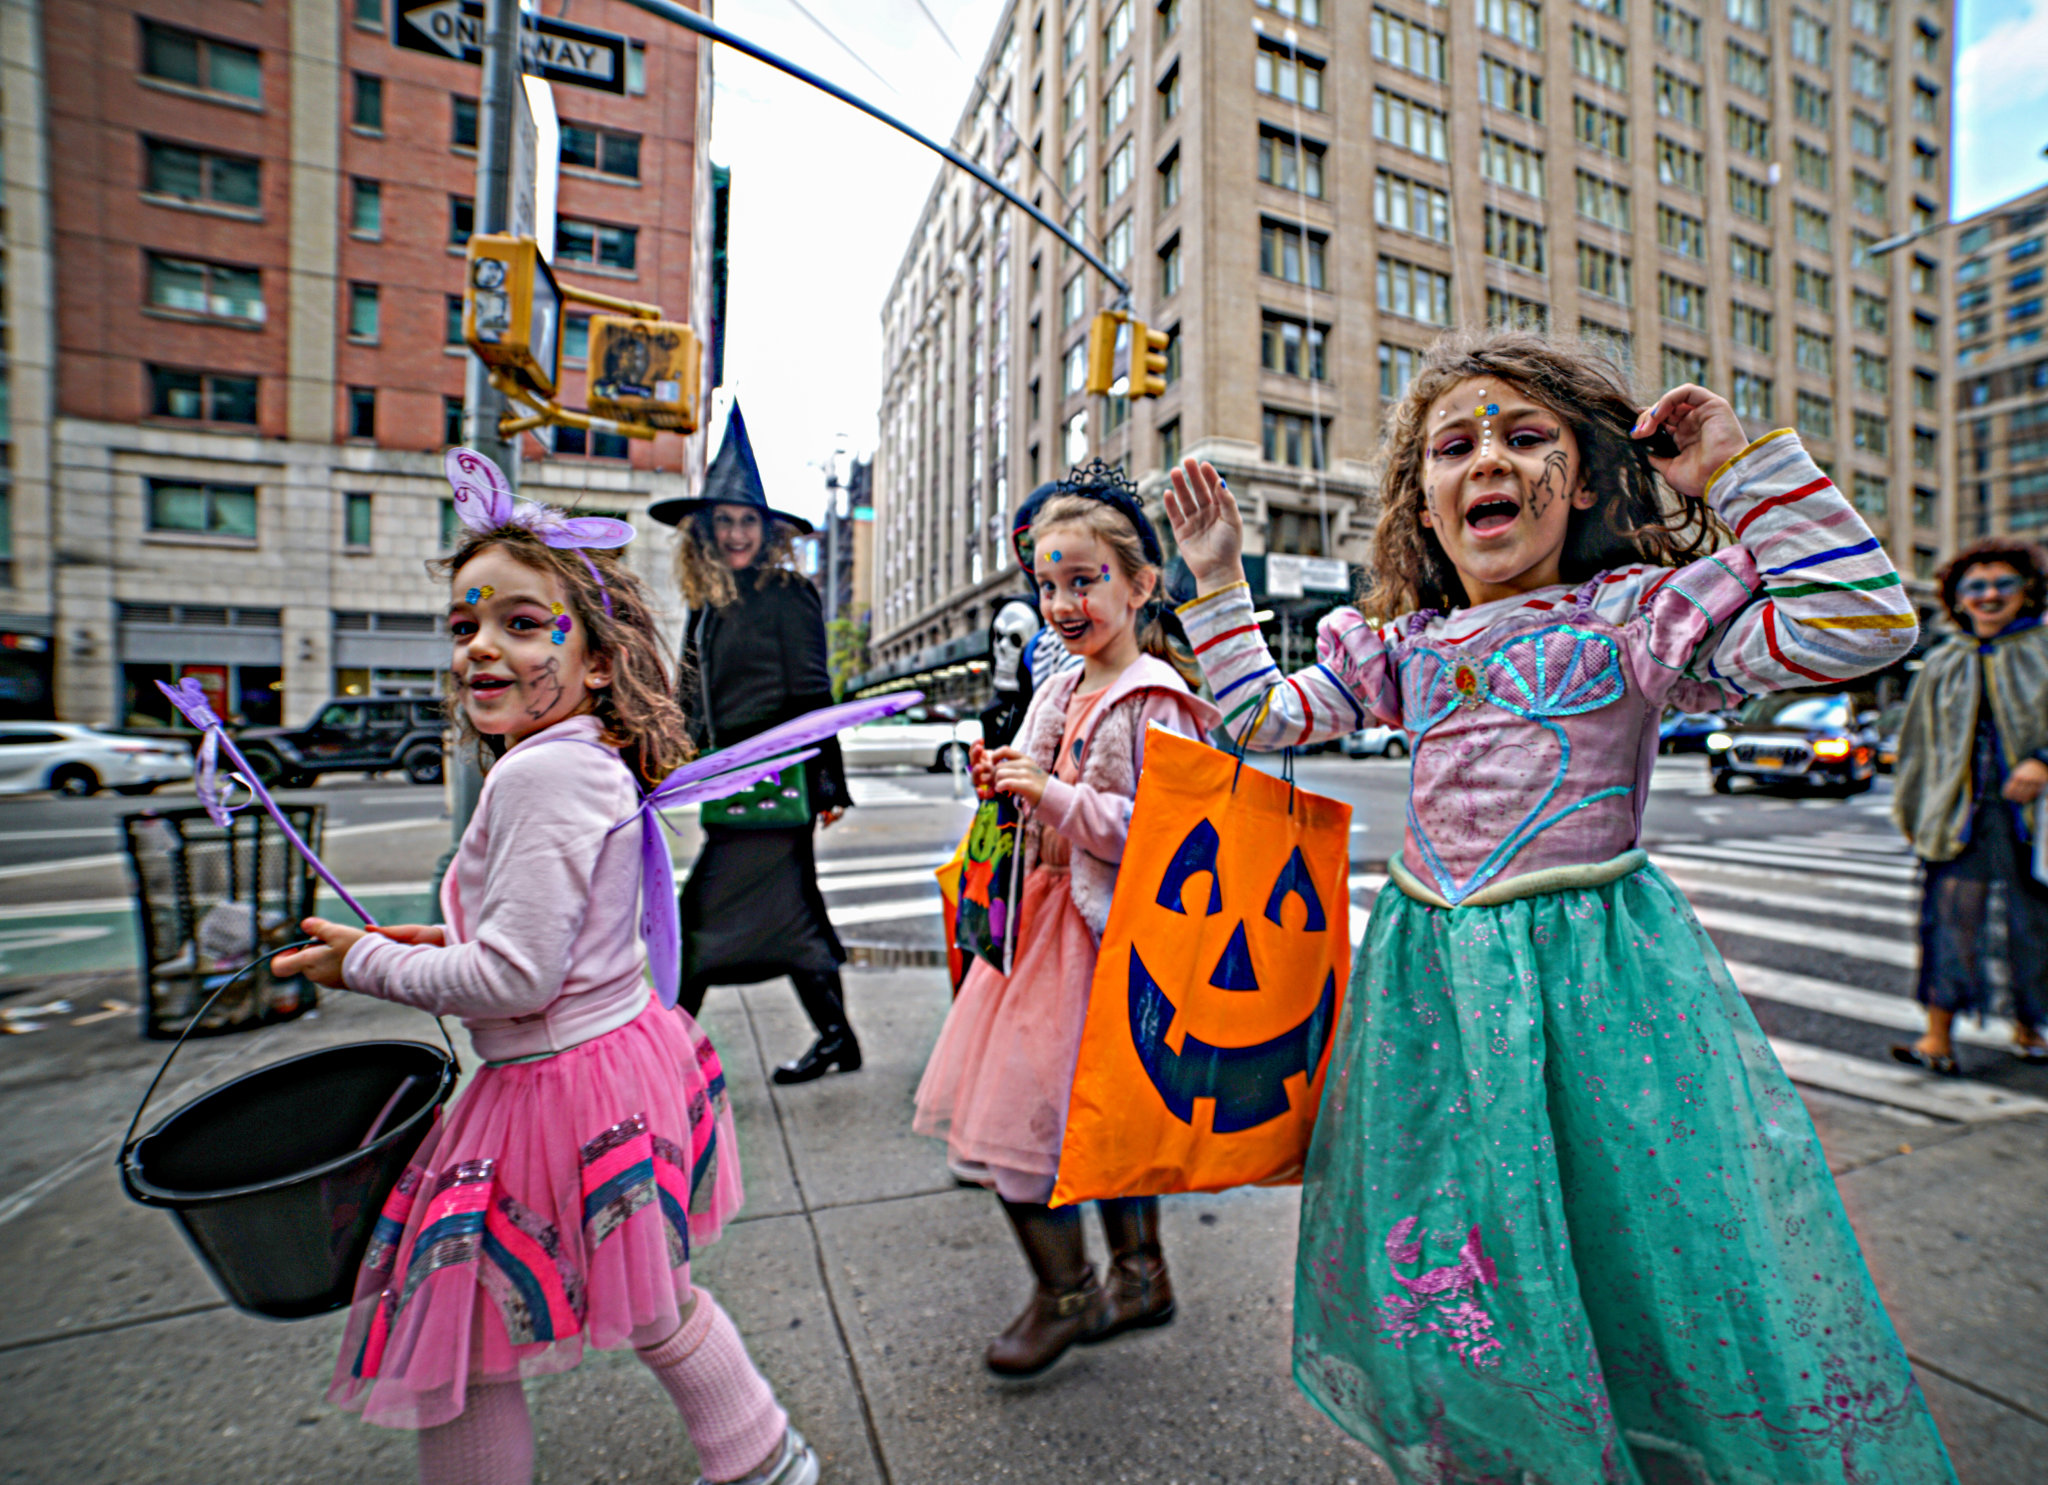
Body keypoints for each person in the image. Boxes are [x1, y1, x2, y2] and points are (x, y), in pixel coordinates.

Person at [1164, 330, 1957, 1483]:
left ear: (1581, 480)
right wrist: (1218, 577)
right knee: (1469, 1232)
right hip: (1429, 989)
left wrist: (1738, 472)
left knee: (1615, 1235)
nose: (1486, 458)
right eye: (1453, 446)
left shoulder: (1631, 619)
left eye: (1523, 437)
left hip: (1596, 987)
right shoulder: (1400, 645)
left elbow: (1864, 623)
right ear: (1423, 507)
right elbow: (1256, 722)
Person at [273, 450, 817, 1485]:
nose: (482, 647)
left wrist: (368, 965)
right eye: (466, 625)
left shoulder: (540, 774)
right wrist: (432, 948)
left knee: (468, 1340)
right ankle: (763, 1459)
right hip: (607, 1067)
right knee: (652, 1300)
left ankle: (765, 1460)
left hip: (557, 1092)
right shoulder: (580, 757)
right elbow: (553, 947)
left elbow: (517, 981)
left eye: (523, 624)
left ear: (599, 658)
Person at [914, 461, 1220, 1377]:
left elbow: (1163, 837)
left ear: (1140, 583)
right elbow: (1039, 777)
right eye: (1048, 584)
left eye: (1084, 580)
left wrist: (1052, 796)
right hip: (1045, 924)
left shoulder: (1153, 696)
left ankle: (1074, 1292)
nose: (1061, 601)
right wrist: (1005, 784)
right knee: (1080, 1121)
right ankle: (1139, 1274)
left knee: (1025, 1125)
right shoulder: (1065, 683)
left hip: (1101, 937)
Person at [651, 405, 859, 1084]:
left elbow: (811, 693)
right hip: (728, 783)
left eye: (748, 521)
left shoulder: (789, 591)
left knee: (695, 923)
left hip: (775, 781)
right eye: (724, 521)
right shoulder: (704, 600)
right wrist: (665, 754)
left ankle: (662, 1057)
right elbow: (687, 691)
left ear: (766, 530)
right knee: (792, 917)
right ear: (704, 531)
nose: (737, 532)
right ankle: (837, 1038)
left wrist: (829, 783)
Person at [1890, 538, 2048, 1074]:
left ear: (2026, 592)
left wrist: (2043, 761)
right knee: (1949, 924)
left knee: (2035, 927)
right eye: (1974, 587)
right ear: (1956, 599)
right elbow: (1916, 747)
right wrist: (1915, 813)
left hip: (2033, 823)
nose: (1988, 595)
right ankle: (1937, 1038)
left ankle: (2031, 1028)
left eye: (2003, 583)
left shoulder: (2043, 649)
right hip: (1961, 817)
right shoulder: (1942, 661)